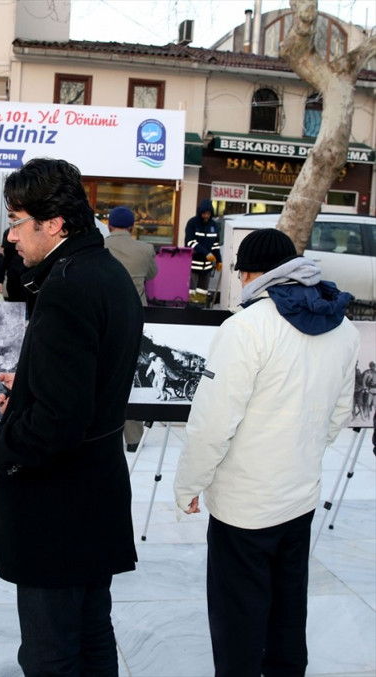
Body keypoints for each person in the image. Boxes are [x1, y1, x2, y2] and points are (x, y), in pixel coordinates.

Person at [174, 228, 359, 677]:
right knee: (288, 603)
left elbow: (214, 422)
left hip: (245, 502)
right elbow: (339, 412)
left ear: (253, 273)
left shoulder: (246, 327)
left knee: (238, 613)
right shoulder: (343, 326)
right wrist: (300, 451)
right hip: (299, 494)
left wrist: (189, 483)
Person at [0, 158, 143, 675]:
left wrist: (6, 452)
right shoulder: (105, 271)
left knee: (51, 649)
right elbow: (84, 384)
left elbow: (60, 419)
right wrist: (27, 389)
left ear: (52, 223)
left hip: (58, 505)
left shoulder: (68, 286)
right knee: (93, 632)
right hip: (94, 491)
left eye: (15, 220)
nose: (9, 237)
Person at [104, 206, 157, 451]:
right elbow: (152, 274)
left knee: (103, 375)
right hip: (136, 319)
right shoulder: (145, 249)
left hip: (104, 317)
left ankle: (103, 433)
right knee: (134, 376)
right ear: (132, 227)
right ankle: (133, 438)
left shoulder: (100, 246)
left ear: (109, 224)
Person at [185, 199, 221, 304]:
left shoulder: (214, 225)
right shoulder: (192, 223)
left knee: (202, 292)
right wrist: (206, 253)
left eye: (208, 213)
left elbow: (215, 245)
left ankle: (199, 310)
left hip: (207, 267)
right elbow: (190, 242)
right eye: (204, 213)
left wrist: (219, 260)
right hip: (194, 265)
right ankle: (190, 310)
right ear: (200, 213)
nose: (206, 216)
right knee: (191, 292)